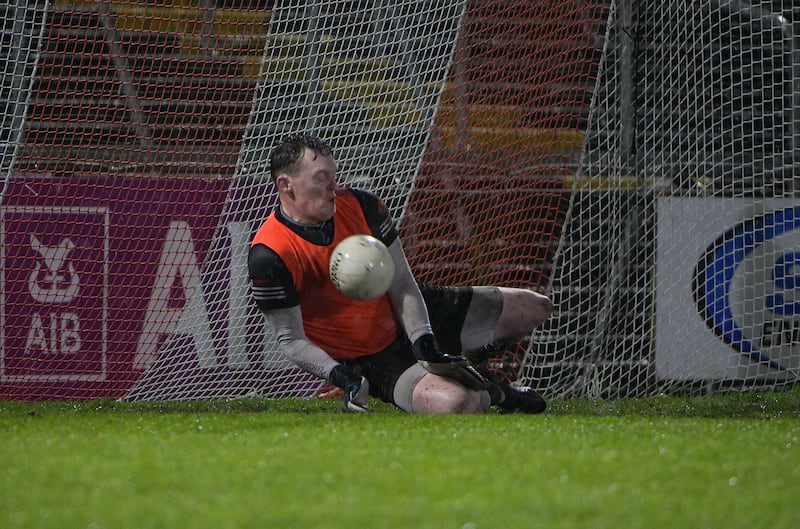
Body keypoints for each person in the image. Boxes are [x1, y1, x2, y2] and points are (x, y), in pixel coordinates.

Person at [248, 133, 553, 414]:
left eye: (334, 175)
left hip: (415, 311)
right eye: (321, 178)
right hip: (373, 355)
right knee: (457, 404)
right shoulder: (270, 253)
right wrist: (344, 377)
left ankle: (469, 361)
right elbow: (290, 339)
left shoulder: (363, 205)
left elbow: (402, 284)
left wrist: (424, 342)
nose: (333, 187)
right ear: (286, 185)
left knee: (536, 307)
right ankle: (499, 392)